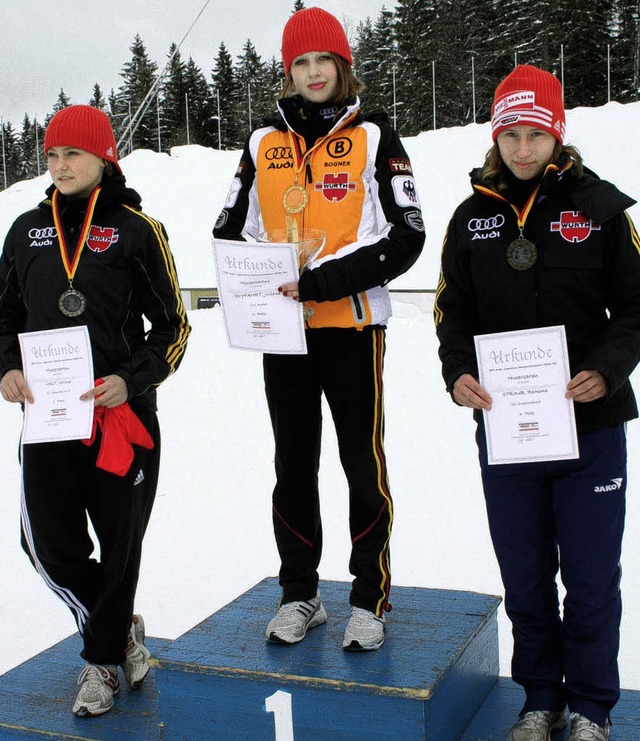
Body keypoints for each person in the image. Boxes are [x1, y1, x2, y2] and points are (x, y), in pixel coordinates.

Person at [434, 64, 640, 741]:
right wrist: (459, 370)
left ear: (557, 133)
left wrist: (606, 370)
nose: (523, 149)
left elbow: (636, 309)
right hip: (509, 429)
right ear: (496, 137)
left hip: (592, 430)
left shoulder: (601, 209)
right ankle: (539, 700)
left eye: (535, 135)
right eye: (511, 135)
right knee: (525, 577)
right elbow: (450, 312)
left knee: (589, 580)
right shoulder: (469, 219)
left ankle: (590, 708)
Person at [214, 7, 424, 651]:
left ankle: (369, 597)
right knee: (292, 465)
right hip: (284, 334)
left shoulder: (374, 138)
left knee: (362, 462)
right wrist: (261, 272)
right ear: (289, 71)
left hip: (351, 328)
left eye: (322, 61)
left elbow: (406, 236)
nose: (311, 72)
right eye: (299, 62)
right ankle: (300, 593)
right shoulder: (260, 141)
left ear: (342, 65)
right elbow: (229, 229)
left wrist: (323, 279)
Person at [0, 105, 191, 717]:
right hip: (51, 420)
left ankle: (101, 663)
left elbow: (173, 328)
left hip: (119, 420)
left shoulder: (138, 230)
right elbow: (4, 317)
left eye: (73, 155)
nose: (60, 167)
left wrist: (128, 380)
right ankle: (114, 626)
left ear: (104, 158)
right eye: (52, 155)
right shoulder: (25, 230)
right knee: (48, 547)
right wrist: (6, 366)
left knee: (120, 547)